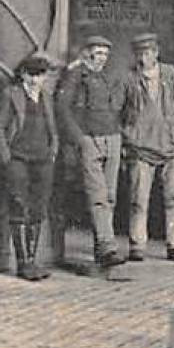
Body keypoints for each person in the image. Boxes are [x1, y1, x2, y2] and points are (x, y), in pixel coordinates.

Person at [120, 33, 174, 262]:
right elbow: (118, 111)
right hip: (141, 147)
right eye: (140, 53)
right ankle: (137, 244)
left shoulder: (171, 75)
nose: (145, 58)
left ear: (156, 53)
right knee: (138, 199)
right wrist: (127, 137)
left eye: (149, 52)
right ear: (136, 56)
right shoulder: (129, 79)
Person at [57, 35, 127, 269]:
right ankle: (107, 244)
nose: (101, 59)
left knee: (110, 195)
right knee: (98, 195)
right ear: (86, 53)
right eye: (97, 54)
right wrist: (79, 139)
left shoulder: (106, 76)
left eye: (105, 55)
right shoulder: (75, 75)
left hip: (112, 137)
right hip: (90, 138)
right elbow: (63, 109)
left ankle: (102, 249)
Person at [0, 53, 59, 281]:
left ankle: (32, 260)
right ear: (22, 74)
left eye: (40, 75)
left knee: (39, 207)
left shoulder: (47, 97)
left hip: (42, 159)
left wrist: (53, 151)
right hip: (18, 159)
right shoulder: (11, 95)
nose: (35, 80)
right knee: (19, 206)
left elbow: (53, 128)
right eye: (31, 74)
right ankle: (23, 263)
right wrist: (7, 158)